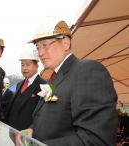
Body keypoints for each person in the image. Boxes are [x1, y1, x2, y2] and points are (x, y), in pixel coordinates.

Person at [19, 17, 118, 146]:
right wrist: (32, 129)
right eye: (38, 47)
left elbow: (96, 140)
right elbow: (48, 117)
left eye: (45, 45)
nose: (41, 52)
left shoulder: (88, 71)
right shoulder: (54, 78)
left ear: (66, 43)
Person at [6, 49, 46, 142]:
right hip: (12, 133)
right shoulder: (20, 84)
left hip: (28, 136)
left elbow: (44, 114)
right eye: (22, 64)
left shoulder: (44, 86)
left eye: (28, 64)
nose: (24, 68)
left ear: (36, 66)